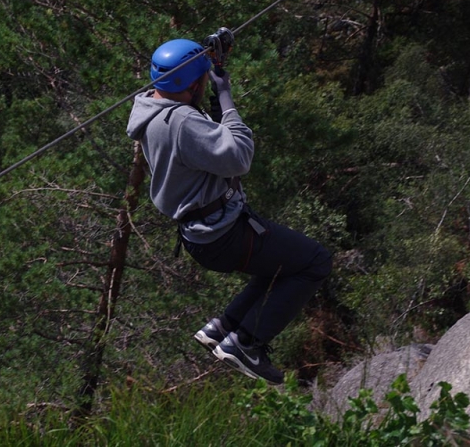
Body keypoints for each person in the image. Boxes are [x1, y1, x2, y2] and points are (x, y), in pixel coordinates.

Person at [125, 38, 332, 385]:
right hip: (225, 236)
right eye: (203, 79)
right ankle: (246, 343)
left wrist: (208, 63)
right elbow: (239, 156)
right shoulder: (181, 122)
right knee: (315, 261)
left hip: (203, 234)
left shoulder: (152, 109)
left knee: (282, 265)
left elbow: (206, 140)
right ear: (192, 84)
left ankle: (224, 326)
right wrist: (225, 96)